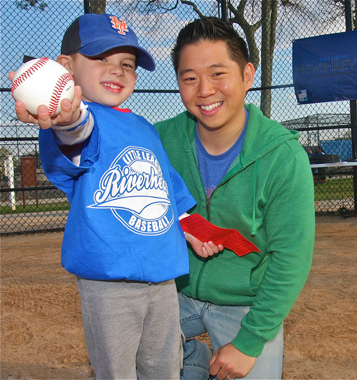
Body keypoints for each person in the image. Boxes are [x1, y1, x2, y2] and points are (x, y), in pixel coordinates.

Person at [10, 13, 222, 379]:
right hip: (108, 283)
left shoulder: (143, 127)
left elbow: (166, 186)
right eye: (101, 59)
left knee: (164, 367)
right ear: (66, 67)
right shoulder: (77, 121)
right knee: (116, 371)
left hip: (162, 276)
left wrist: (192, 226)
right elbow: (76, 136)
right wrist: (67, 118)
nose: (117, 71)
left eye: (127, 64)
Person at [154, 17, 315, 380]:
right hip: (172, 292)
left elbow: (290, 256)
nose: (204, 90)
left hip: (245, 300)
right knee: (122, 355)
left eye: (217, 74)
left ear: (247, 75)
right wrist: (63, 125)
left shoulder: (283, 155)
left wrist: (249, 342)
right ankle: (190, 358)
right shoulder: (158, 141)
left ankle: (188, 359)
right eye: (189, 78)